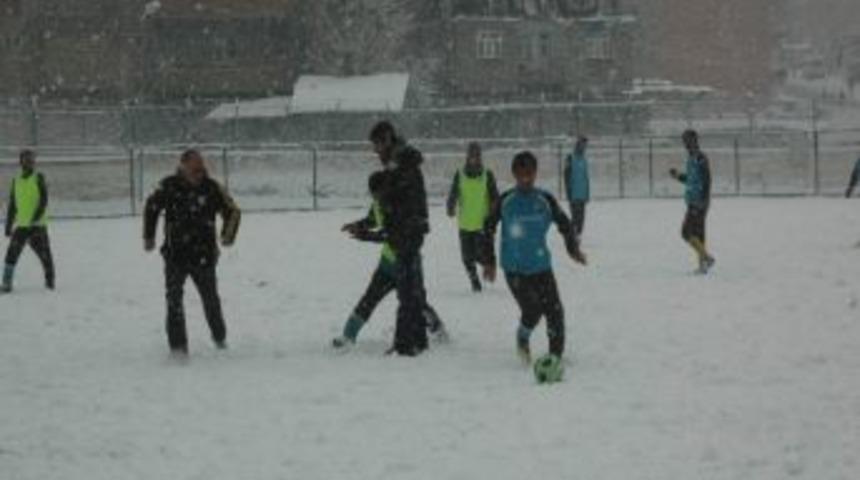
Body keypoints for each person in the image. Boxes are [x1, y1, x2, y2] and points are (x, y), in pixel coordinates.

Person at [481, 151, 587, 366]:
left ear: (536, 173)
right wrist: (489, 261)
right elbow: (488, 228)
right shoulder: (506, 201)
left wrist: (572, 248)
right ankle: (522, 336)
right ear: (514, 174)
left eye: (529, 174)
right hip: (515, 269)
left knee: (555, 312)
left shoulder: (544, 199)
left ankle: (555, 357)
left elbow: (565, 224)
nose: (525, 179)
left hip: (541, 266)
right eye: (521, 175)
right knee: (532, 310)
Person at [143, 149, 241, 355]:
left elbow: (233, 210)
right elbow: (151, 207)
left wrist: (227, 236)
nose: (200, 171)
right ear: (183, 166)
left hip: (204, 256)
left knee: (211, 300)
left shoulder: (211, 188)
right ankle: (178, 347)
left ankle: (219, 337)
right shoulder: (169, 186)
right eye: (195, 167)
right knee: (174, 301)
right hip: (175, 255)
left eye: (202, 167)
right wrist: (148, 236)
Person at [334, 171, 447, 349]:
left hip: (408, 261)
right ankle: (348, 336)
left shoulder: (398, 205)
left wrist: (366, 236)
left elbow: (391, 234)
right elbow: (372, 220)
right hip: (387, 264)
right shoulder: (378, 204)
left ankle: (438, 330)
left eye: (378, 193)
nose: (376, 198)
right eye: (373, 195)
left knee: (417, 303)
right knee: (369, 299)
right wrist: (358, 226)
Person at [367, 121, 430, 356]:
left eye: (377, 144)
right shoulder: (400, 162)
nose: (375, 151)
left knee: (407, 291)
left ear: (386, 140)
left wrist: (399, 225)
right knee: (412, 289)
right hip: (409, 231)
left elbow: (401, 201)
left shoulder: (400, 165)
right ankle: (420, 339)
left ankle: (405, 344)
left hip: (407, 232)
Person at [446, 142, 499, 292]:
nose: (474, 159)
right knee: (466, 257)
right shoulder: (460, 174)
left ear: (480, 157)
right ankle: (475, 282)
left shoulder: (487, 174)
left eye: (476, 156)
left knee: (477, 254)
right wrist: (450, 206)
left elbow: (495, 196)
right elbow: (453, 192)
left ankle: (489, 264)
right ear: (467, 157)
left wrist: (494, 212)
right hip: (464, 223)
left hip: (481, 224)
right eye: (471, 156)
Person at [2, 149, 55, 293]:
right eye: (26, 159)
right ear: (21, 162)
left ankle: (50, 282)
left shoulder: (39, 177)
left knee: (45, 255)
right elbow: (13, 204)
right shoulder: (16, 180)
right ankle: (6, 284)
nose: (29, 162)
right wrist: (8, 224)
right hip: (22, 226)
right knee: (11, 254)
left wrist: (35, 217)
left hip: (37, 226)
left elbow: (44, 200)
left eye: (31, 159)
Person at [670, 129, 715, 274]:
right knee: (698, 234)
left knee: (686, 233)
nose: (686, 144)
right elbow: (690, 180)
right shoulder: (691, 158)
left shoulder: (700, 158)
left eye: (688, 141)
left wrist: (703, 200)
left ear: (694, 141)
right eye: (684, 141)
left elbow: (707, 180)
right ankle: (703, 265)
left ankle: (706, 258)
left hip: (698, 202)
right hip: (693, 201)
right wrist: (677, 176)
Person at [563, 135, 590, 239]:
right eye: (582, 145)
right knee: (575, 217)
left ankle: (577, 235)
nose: (584, 147)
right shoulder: (570, 158)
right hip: (573, 194)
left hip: (582, 194)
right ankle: (572, 235)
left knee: (581, 218)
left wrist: (587, 193)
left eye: (585, 145)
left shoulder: (584, 160)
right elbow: (566, 176)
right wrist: (568, 192)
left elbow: (586, 177)